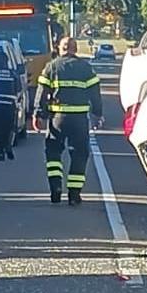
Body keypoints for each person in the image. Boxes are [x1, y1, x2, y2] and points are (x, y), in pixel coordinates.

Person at [33, 37, 103, 206]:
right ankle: (74, 194)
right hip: (79, 120)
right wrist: (97, 114)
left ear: (59, 48)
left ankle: (55, 188)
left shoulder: (52, 66)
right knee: (79, 154)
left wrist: (38, 114)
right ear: (75, 49)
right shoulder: (86, 68)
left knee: (53, 153)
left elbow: (42, 92)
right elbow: (95, 93)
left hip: (58, 118)